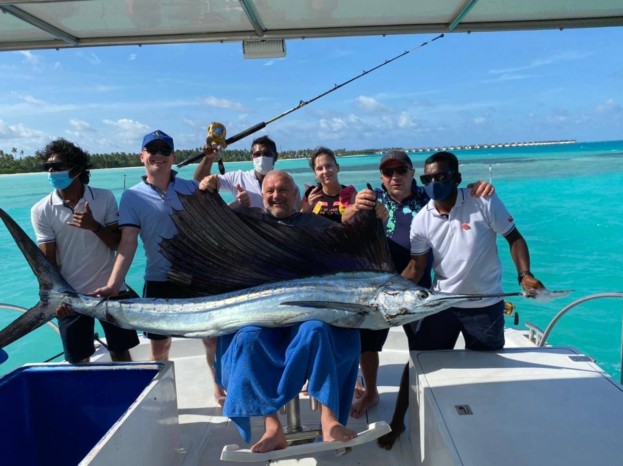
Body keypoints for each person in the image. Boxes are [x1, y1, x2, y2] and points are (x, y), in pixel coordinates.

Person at [381, 150, 545, 448]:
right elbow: (416, 267)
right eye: (427, 178)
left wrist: (525, 275)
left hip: (485, 306)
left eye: (441, 176)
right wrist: (387, 292)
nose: (434, 183)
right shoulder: (422, 219)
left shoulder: (483, 201)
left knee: (487, 371)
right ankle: (397, 421)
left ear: (456, 178)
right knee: (417, 362)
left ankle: (488, 425)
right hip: (443, 303)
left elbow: (514, 237)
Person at [200, 170, 360, 453]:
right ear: (261, 196)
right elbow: (209, 226)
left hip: (306, 315)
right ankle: (272, 428)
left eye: (283, 190)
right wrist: (207, 192)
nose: (276, 196)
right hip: (263, 317)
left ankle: (329, 420)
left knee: (316, 329)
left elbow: (353, 255)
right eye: (270, 191)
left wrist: (369, 215)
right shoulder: (248, 224)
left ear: (296, 195)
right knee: (247, 338)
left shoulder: (320, 227)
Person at [342, 150, 495, 420]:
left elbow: (456, 196)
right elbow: (345, 221)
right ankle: (371, 392)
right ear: (381, 177)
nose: (395, 177)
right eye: (388, 172)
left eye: (401, 171)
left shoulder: (430, 196)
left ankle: (425, 393)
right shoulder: (372, 198)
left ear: (413, 173)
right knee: (368, 344)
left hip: (417, 287)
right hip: (378, 289)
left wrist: (476, 188)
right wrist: (356, 207)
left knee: (422, 348)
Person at [92, 130, 225, 404]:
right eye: (152, 150)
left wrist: (211, 174)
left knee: (211, 339)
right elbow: (128, 242)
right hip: (159, 279)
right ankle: (161, 399)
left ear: (173, 158)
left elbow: (207, 193)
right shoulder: (132, 196)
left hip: (198, 278)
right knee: (160, 346)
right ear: (142, 156)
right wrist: (114, 284)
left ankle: (219, 387)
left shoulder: (190, 188)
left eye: (165, 151)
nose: (159, 155)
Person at [31, 138, 139, 363]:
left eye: (57, 166)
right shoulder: (41, 210)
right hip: (71, 297)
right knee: (79, 361)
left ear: (77, 169)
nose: (51, 172)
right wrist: (56, 299)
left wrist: (94, 226)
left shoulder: (104, 197)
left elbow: (118, 244)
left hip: (111, 290)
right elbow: (49, 263)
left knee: (121, 352)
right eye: (47, 167)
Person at [194, 135, 300, 209]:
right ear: (251, 157)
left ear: (275, 157)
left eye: (267, 154)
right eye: (257, 154)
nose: (262, 157)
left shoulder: (289, 185)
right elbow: (199, 180)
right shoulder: (237, 177)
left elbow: (295, 214)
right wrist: (209, 158)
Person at [300, 146, 356, 222]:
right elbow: (298, 222)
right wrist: (308, 206)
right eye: (320, 168)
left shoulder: (350, 194)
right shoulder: (311, 194)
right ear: (315, 173)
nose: (325, 171)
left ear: (337, 167)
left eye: (329, 166)